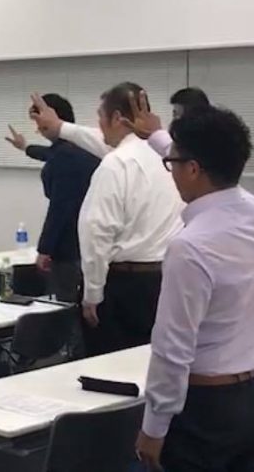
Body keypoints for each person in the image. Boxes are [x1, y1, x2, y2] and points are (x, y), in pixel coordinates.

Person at [135, 106, 254, 472]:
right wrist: (157, 136)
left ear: (193, 169)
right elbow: (205, 157)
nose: (171, 173)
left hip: (204, 412)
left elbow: (173, 348)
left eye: (172, 164)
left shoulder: (190, 247)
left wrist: (154, 426)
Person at [70, 83, 183, 356]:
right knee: (156, 363)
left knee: (112, 368)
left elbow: (97, 231)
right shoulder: (173, 158)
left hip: (124, 288)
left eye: (100, 116)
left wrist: (92, 293)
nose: (99, 126)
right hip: (168, 281)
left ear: (117, 118)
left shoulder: (116, 163)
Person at [5, 94, 100, 303]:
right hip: (88, 241)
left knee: (65, 306)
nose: (38, 129)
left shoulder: (65, 156)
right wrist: (25, 147)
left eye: (39, 124)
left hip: (68, 246)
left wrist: (44, 249)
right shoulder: (84, 146)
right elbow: (50, 153)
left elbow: (59, 208)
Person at [31, 87, 211, 160]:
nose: (175, 122)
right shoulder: (163, 151)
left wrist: (59, 126)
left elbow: (96, 226)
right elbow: (94, 138)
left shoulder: (119, 162)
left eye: (178, 115)